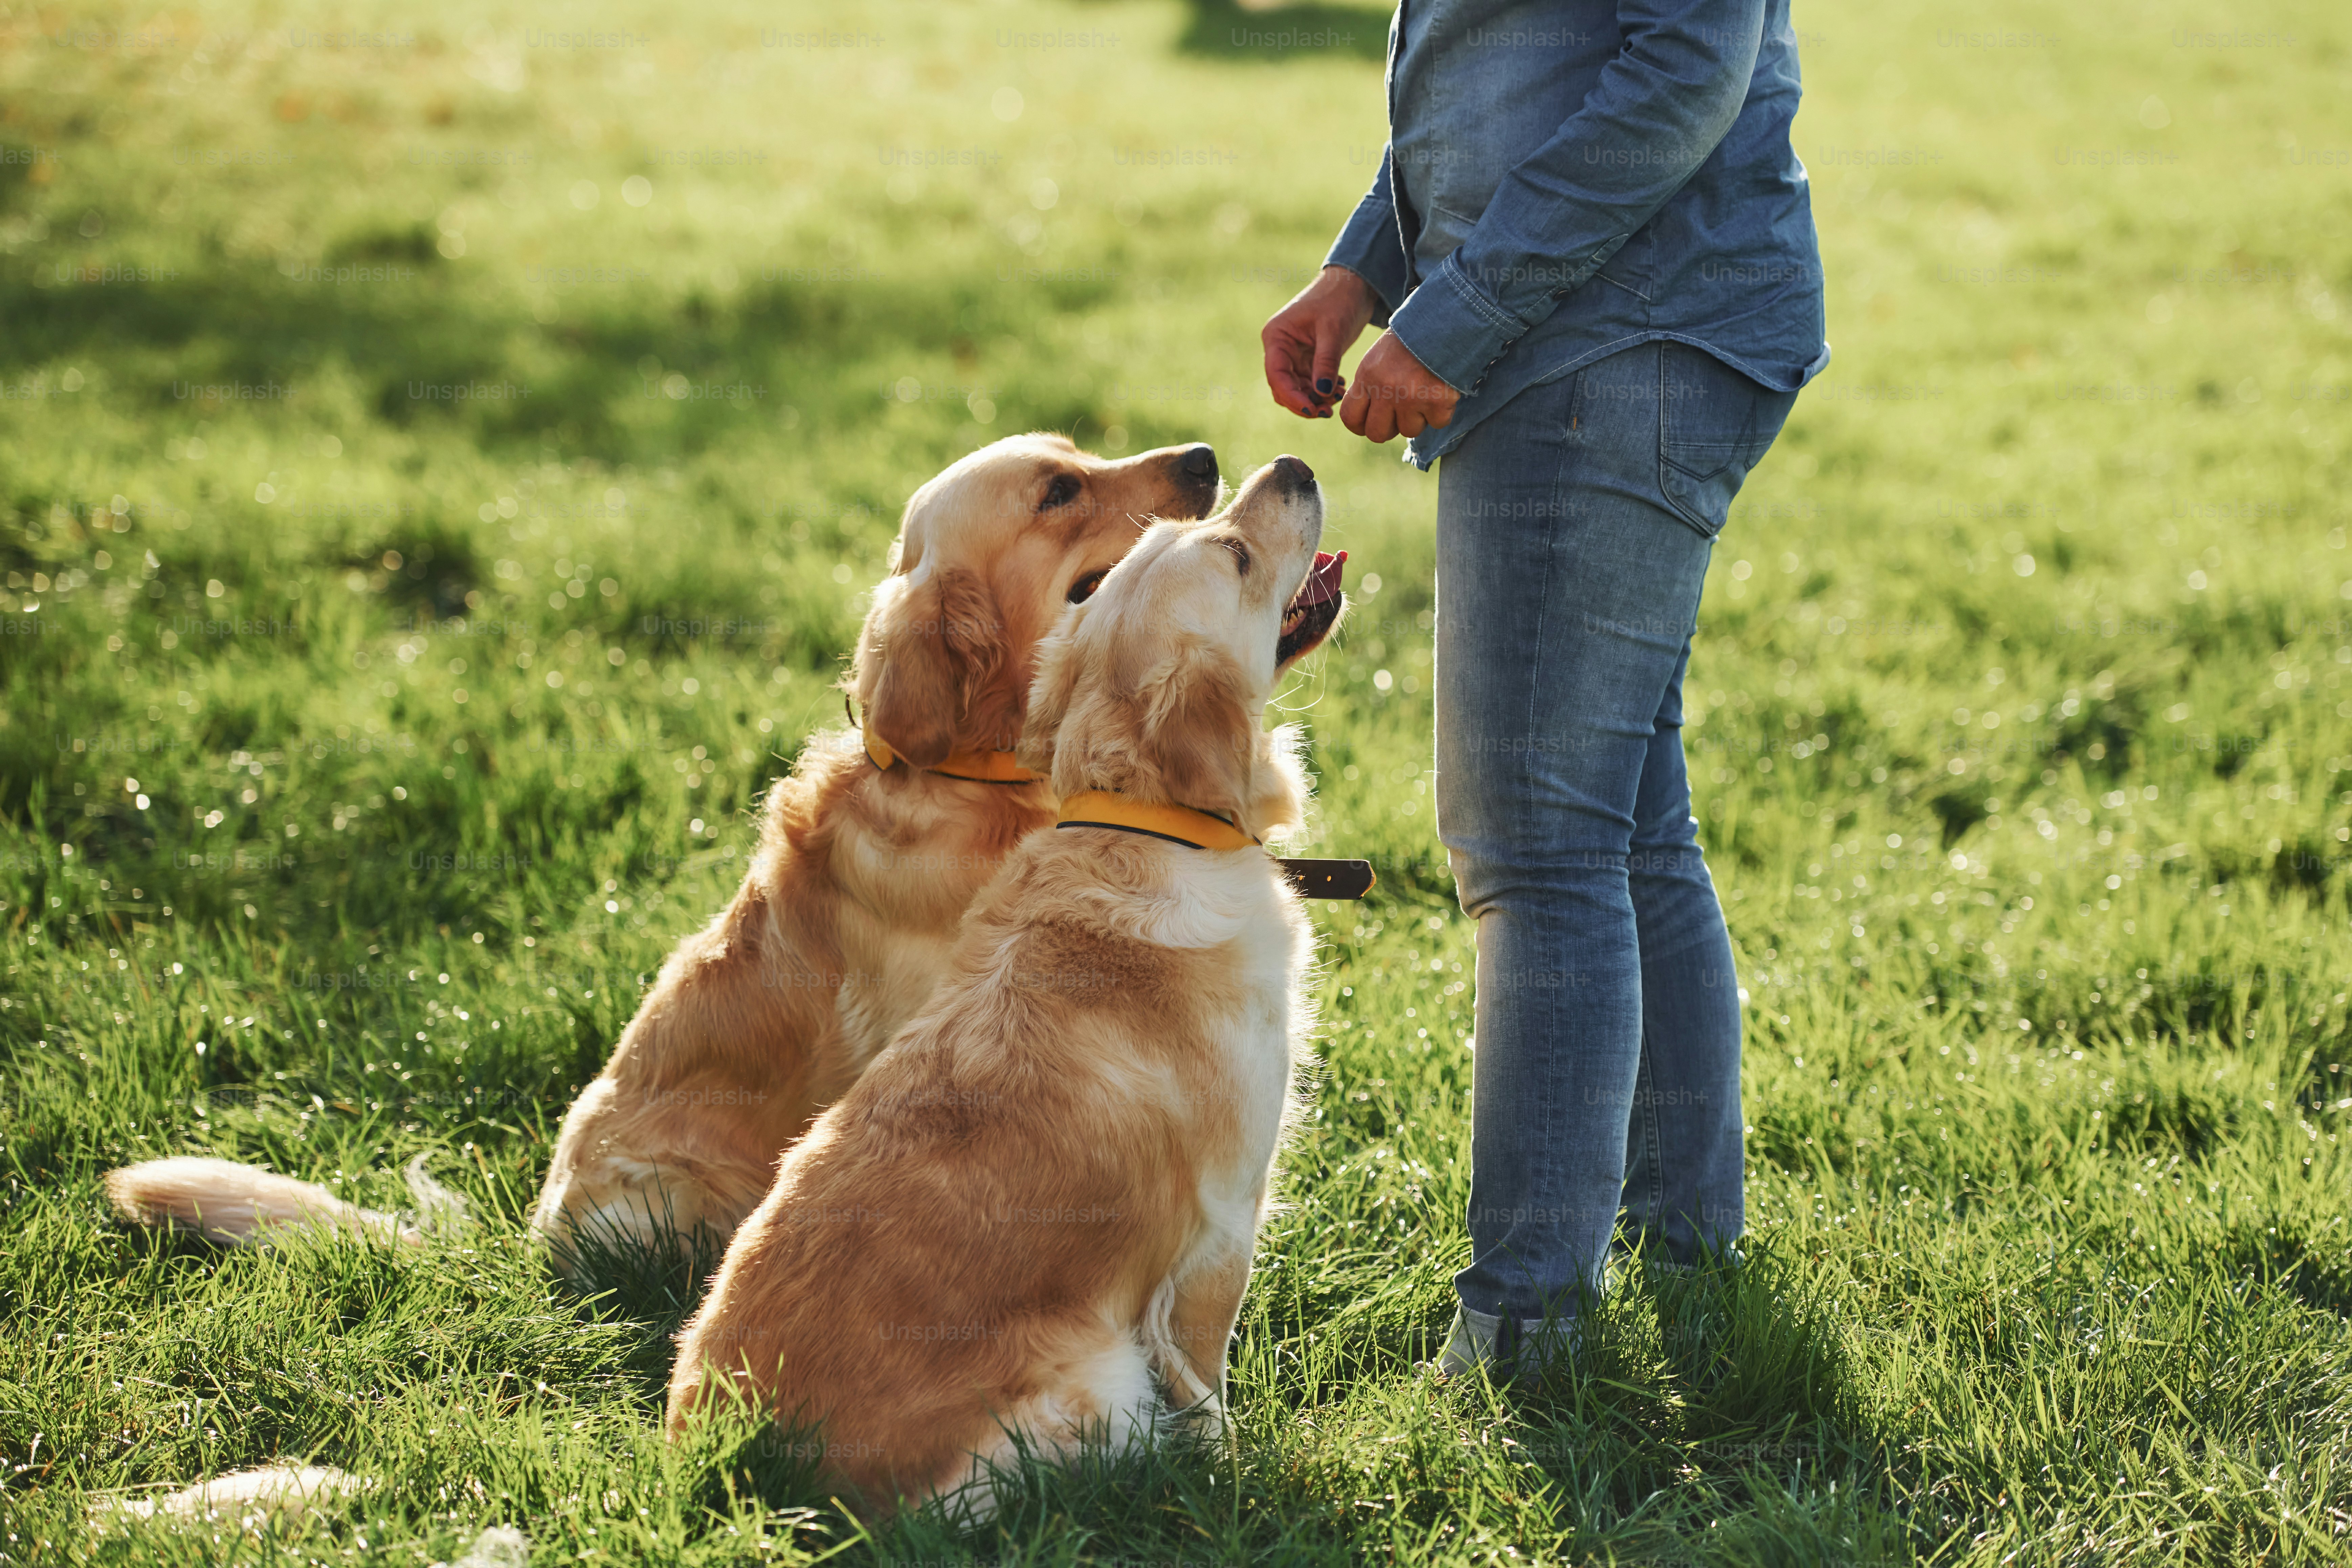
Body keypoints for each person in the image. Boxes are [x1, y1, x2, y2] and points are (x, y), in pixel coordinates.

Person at [1261, 0, 1827, 1375]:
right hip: (1604, 325)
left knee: (1536, 845)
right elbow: (1513, 67)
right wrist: (1365, 268)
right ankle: (1682, 1252)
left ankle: (1523, 1330)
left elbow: (1684, 69)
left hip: (1610, 335)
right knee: (1625, 827)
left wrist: (1454, 315)